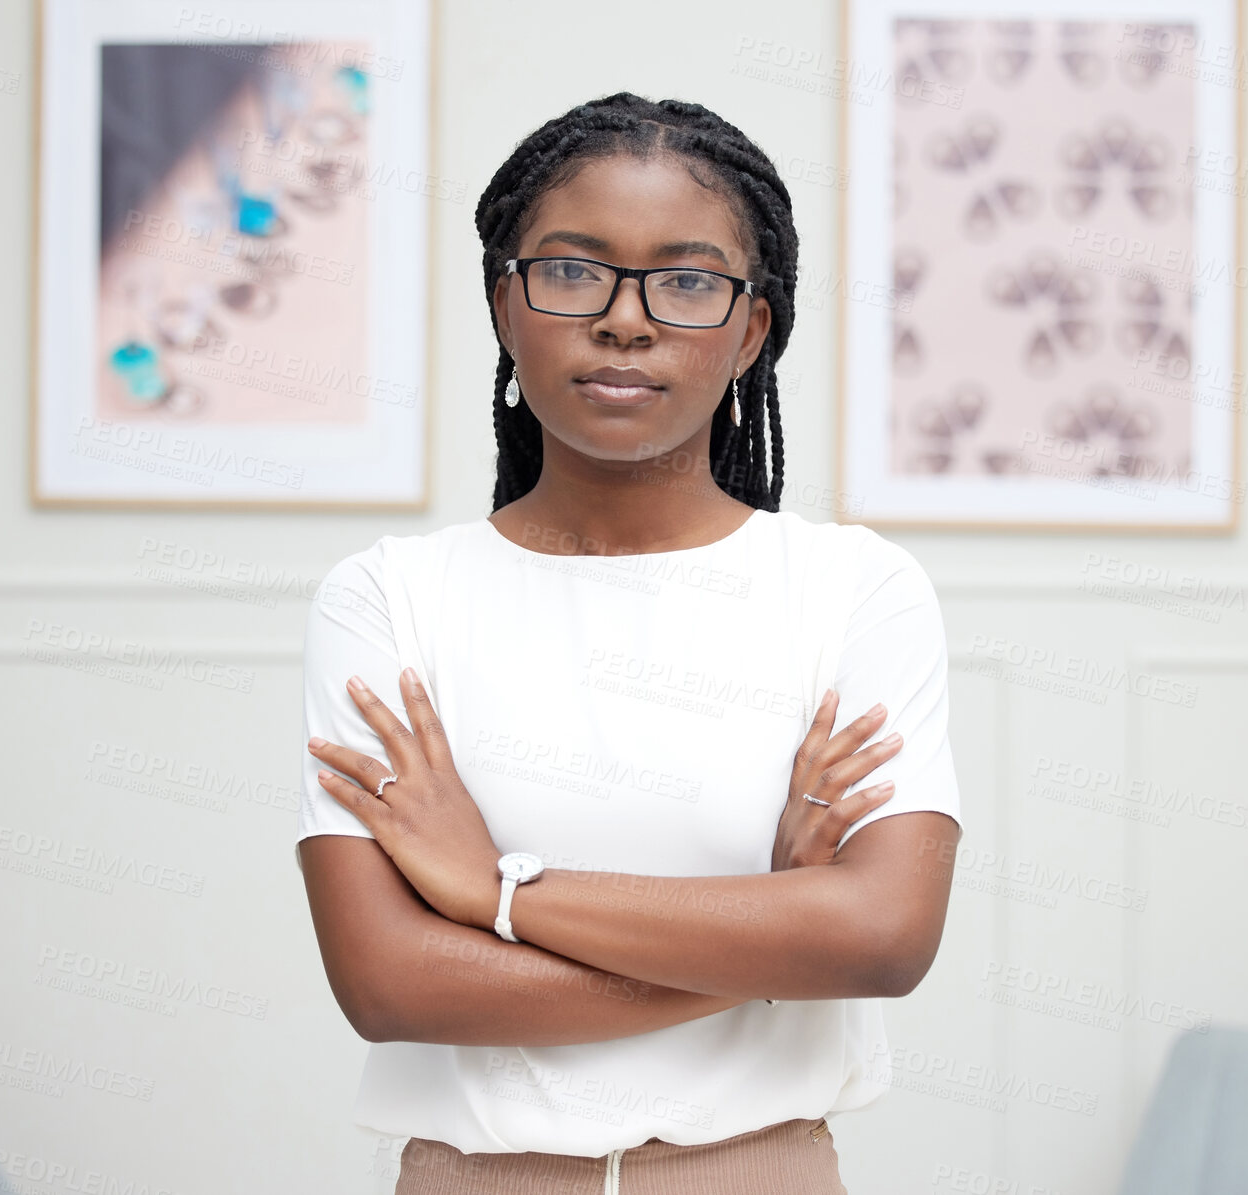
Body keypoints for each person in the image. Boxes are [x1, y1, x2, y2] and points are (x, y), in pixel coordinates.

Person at [295, 92, 963, 1195]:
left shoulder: (854, 589)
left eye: (688, 280)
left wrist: (491, 892)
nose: (624, 318)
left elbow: (882, 936)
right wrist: (772, 944)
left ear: (752, 329)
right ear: (504, 303)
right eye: (571, 269)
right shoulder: (386, 598)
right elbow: (389, 982)